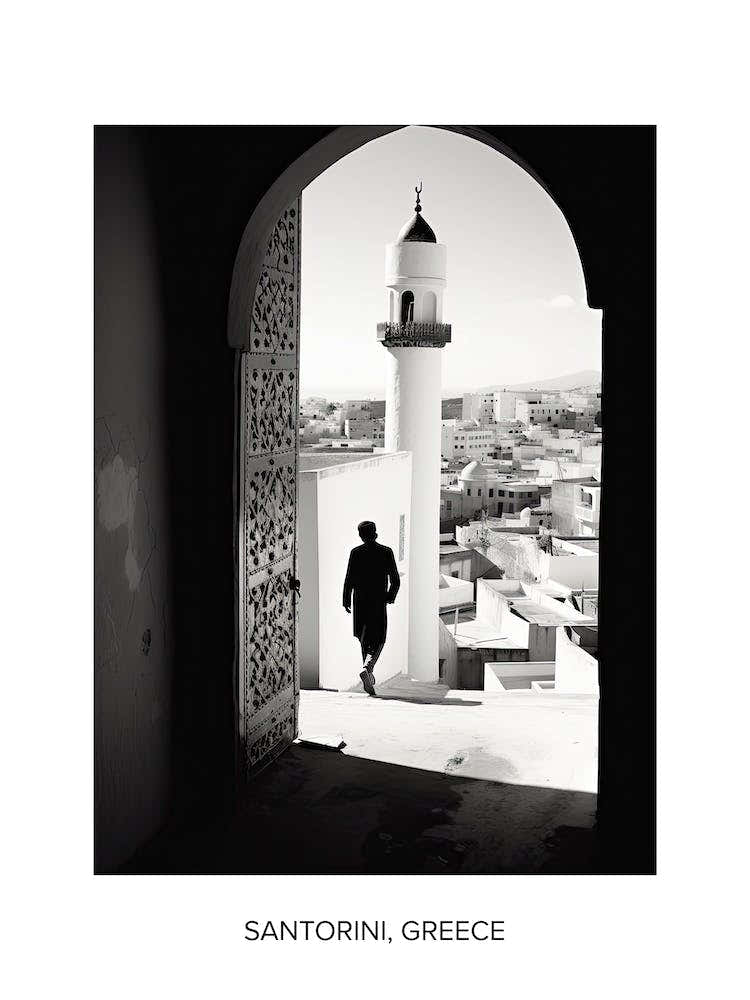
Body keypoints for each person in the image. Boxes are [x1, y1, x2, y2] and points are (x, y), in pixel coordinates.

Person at [342, 520, 400, 697]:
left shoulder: (356, 553)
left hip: (359, 601)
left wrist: (346, 599)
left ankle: (368, 672)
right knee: (379, 637)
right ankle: (368, 668)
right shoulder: (386, 552)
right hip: (377, 600)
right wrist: (390, 596)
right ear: (375, 532)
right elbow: (395, 579)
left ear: (360, 535)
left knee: (364, 637)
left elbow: (349, 578)